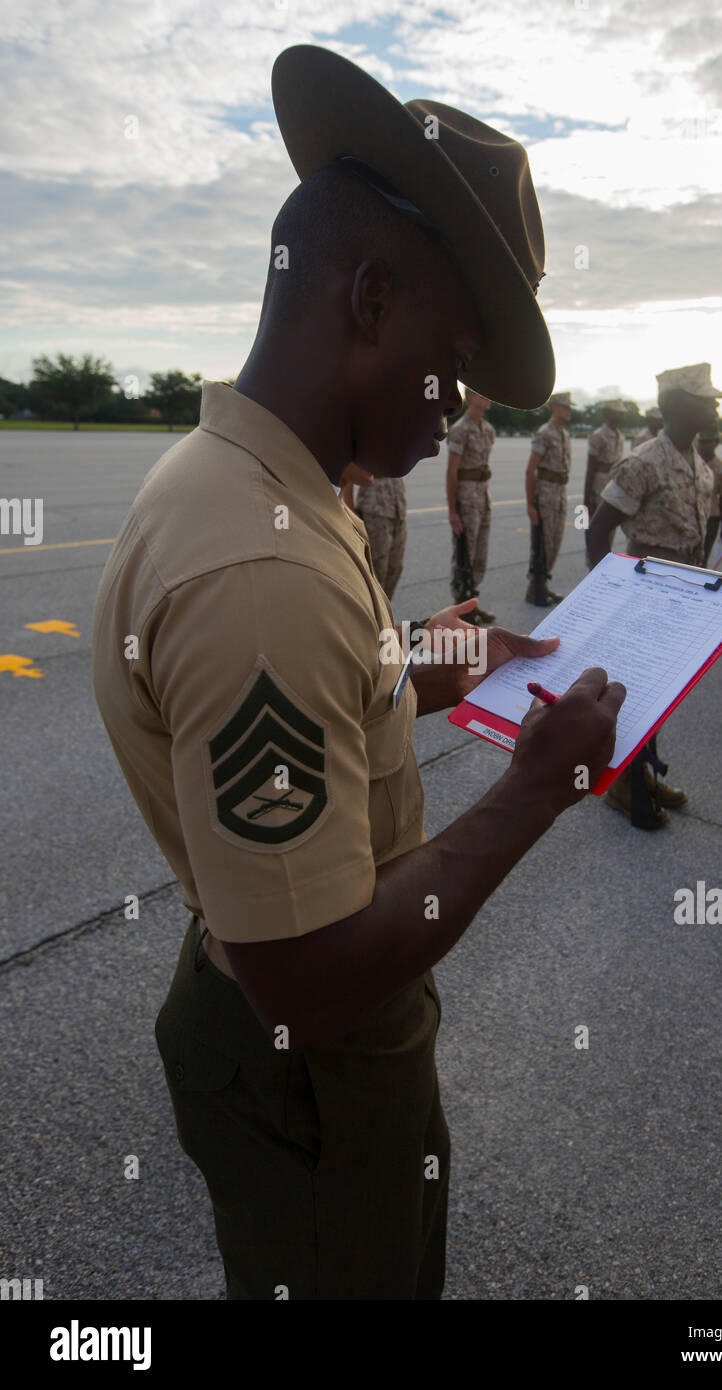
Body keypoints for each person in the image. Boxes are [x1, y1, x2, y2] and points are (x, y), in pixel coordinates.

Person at [91, 43, 624, 1302]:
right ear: (373, 301)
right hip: (313, 1062)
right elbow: (310, 977)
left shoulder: (258, 481)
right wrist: (536, 788)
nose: (462, 412)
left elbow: (338, 687)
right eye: (457, 363)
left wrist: (438, 662)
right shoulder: (259, 570)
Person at [586, 363, 721, 828]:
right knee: (635, 691)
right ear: (678, 406)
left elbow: (706, 527)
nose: (715, 405)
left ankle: (641, 771)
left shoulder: (698, 463)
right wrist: (606, 594)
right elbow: (599, 530)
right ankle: (624, 784)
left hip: (685, 591)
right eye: (705, 399)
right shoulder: (643, 461)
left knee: (660, 692)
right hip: (646, 591)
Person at [446, 389, 496, 623]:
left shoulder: (488, 430)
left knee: (480, 555)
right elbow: (452, 471)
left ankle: (471, 604)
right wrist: (452, 511)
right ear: (470, 398)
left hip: (483, 497)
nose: (488, 398)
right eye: (482, 395)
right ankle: (459, 609)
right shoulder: (460, 429)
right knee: (464, 554)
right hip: (466, 499)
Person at [525, 390, 573, 605]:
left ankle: (541, 586)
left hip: (560, 494)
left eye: (569, 407)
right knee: (542, 543)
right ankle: (535, 589)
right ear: (553, 407)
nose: (568, 410)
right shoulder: (544, 433)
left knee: (554, 543)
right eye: (565, 406)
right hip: (545, 494)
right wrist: (530, 505)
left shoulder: (565, 434)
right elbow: (530, 470)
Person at [353, 473, 408, 600]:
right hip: (375, 509)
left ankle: (384, 608)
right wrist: (351, 510)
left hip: (398, 506)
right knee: (376, 569)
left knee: (395, 568)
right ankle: (371, 609)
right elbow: (348, 472)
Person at [696, 427, 722, 563]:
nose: (703, 445)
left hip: (711, 517)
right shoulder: (691, 462)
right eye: (701, 441)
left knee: (703, 557)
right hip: (689, 515)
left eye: (708, 442)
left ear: (716, 442)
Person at [584, 399, 627, 519]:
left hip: (615, 484)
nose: (621, 415)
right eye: (618, 412)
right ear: (608, 414)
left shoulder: (620, 436)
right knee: (598, 521)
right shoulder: (598, 435)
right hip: (600, 484)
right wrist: (587, 498)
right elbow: (590, 467)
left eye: (622, 413)